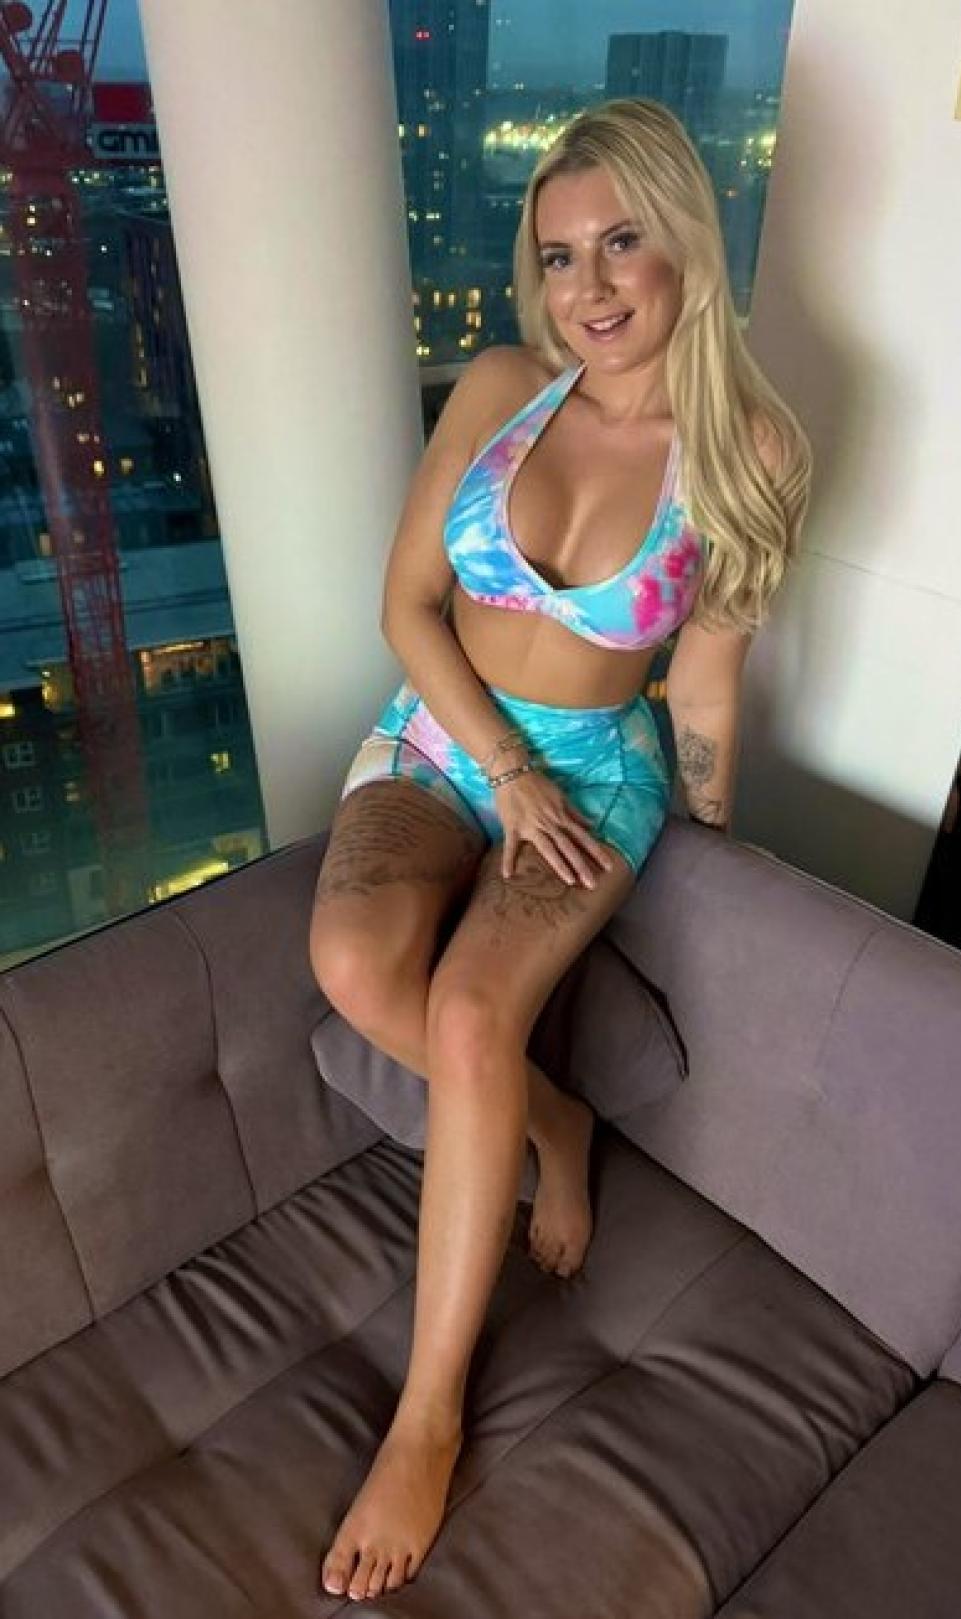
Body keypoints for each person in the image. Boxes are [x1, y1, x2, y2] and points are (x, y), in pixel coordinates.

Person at [309, 96, 811, 1604]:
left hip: (592, 773)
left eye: (621, 243)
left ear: (686, 242)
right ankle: (556, 1126)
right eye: (559, 255)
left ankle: (428, 1417)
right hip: (446, 733)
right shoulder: (501, 388)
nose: (589, 288)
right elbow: (407, 608)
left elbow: (702, 695)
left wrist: (705, 877)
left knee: (472, 1016)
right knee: (352, 962)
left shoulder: (750, 451)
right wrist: (500, 770)